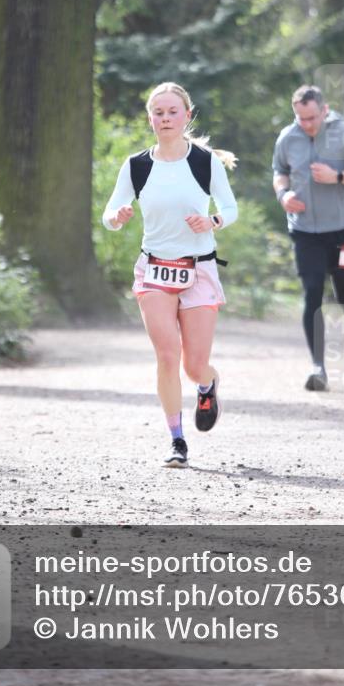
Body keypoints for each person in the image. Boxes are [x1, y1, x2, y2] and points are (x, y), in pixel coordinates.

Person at [102, 82, 238, 468]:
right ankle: (177, 440)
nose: (165, 118)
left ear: (187, 116)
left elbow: (230, 207)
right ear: (150, 119)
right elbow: (111, 212)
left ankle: (207, 384)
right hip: (154, 269)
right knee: (166, 355)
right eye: (158, 113)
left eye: (172, 112)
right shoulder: (136, 166)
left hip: (199, 268)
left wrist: (212, 220)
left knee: (194, 365)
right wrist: (117, 217)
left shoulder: (204, 162)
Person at [272, 85, 344, 391]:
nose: (306, 124)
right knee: (311, 293)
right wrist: (283, 195)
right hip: (305, 228)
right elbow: (278, 171)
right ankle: (318, 367)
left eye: (311, 117)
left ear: (324, 109)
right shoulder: (287, 137)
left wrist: (337, 177)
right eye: (300, 118)